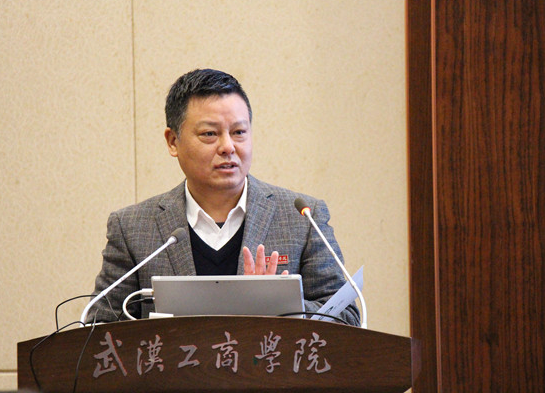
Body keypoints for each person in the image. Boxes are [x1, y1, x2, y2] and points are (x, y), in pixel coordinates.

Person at [89, 69, 360, 325]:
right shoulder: (133, 227)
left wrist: (280, 307)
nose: (228, 147)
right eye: (210, 134)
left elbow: (347, 317)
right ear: (173, 141)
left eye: (239, 132)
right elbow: (98, 329)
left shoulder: (302, 218)